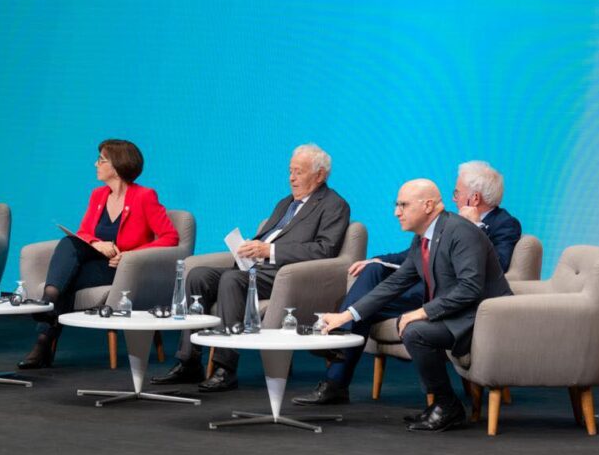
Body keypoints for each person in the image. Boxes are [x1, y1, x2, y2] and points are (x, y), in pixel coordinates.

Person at [294, 160, 522, 405]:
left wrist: (421, 312)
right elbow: (403, 274)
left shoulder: (474, 228)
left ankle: (444, 405)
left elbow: (482, 276)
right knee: (372, 277)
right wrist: (349, 311)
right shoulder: (432, 231)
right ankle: (340, 342)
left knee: (404, 324)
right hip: (440, 295)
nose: (396, 212)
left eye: (403, 205)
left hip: (470, 309)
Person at [151, 143, 350, 392]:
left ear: (319, 175)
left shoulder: (334, 204)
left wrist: (270, 251)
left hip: (287, 276)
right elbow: (273, 236)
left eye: (298, 172)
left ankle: (225, 368)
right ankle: (189, 362)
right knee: (198, 276)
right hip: (257, 269)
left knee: (232, 280)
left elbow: (324, 249)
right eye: (290, 171)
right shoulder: (286, 203)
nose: (291, 178)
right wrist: (250, 248)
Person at [18, 139, 179, 369]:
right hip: (96, 260)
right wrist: (97, 243)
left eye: (101, 160)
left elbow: (170, 237)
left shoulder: (144, 196)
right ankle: (49, 302)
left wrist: (129, 255)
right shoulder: (98, 195)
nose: (96, 164)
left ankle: (43, 338)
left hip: (121, 269)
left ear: (117, 165)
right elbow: (84, 232)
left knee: (67, 280)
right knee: (69, 243)